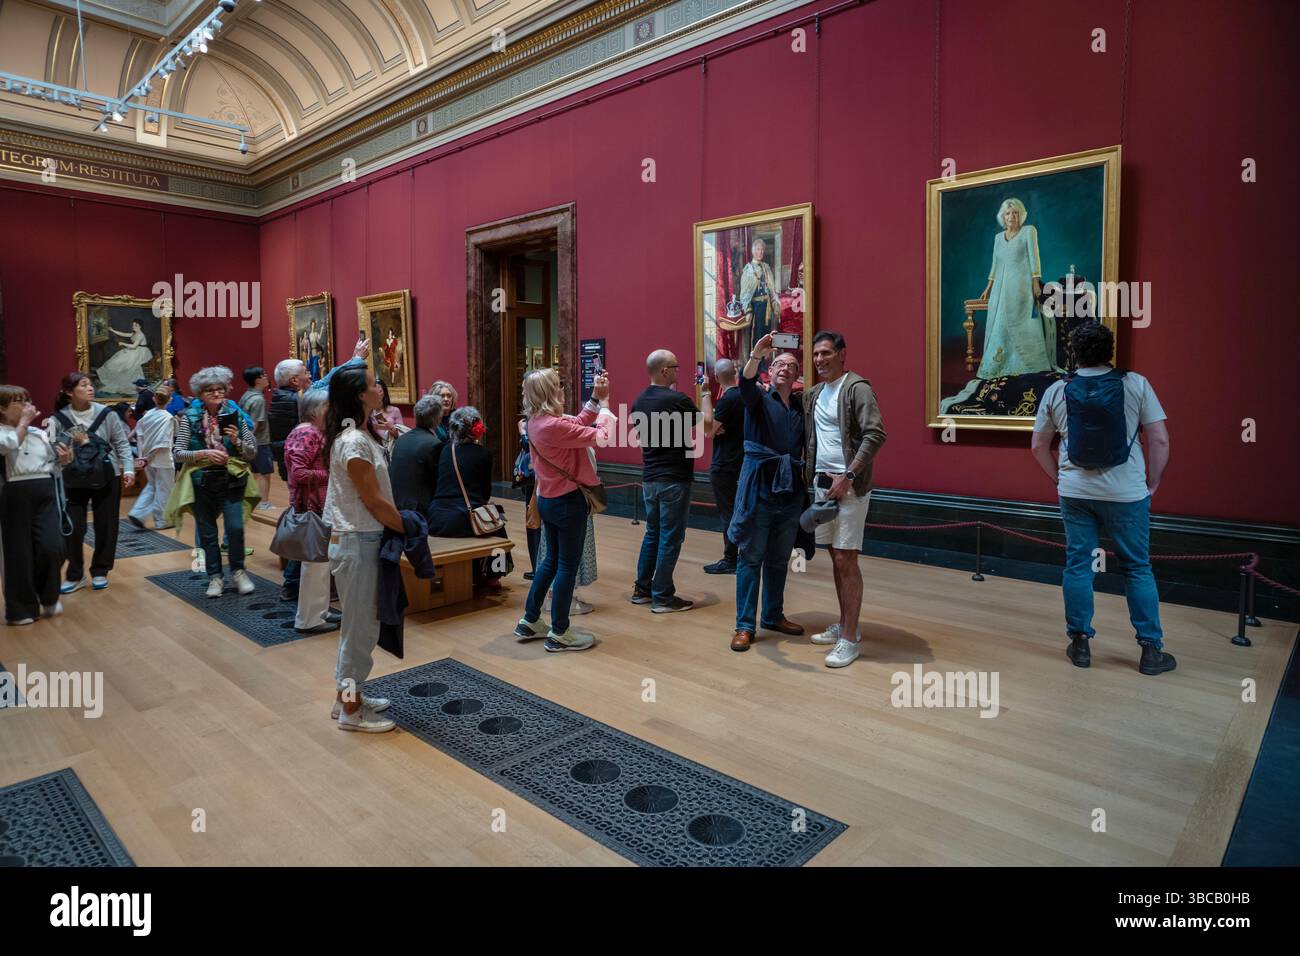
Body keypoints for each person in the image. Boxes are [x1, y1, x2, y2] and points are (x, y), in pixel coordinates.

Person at [1030, 321, 1175, 677]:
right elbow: (1159, 441)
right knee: (1137, 567)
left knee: (1078, 565)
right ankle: (1151, 651)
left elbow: (1037, 446)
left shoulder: (1056, 391)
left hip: (1076, 492)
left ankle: (1080, 644)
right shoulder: (1136, 384)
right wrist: (1152, 481)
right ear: (1110, 351)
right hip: (1127, 493)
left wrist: (1059, 478)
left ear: (1074, 352)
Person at [322, 365, 405, 732]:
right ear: (359, 395)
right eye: (373, 385)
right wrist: (409, 526)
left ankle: (348, 696)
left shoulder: (359, 435)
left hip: (361, 539)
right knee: (359, 633)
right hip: (357, 540)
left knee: (358, 628)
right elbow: (372, 500)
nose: (380, 389)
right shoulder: (354, 441)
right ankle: (351, 712)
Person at [803, 331, 888, 668]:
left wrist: (849, 474)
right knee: (835, 556)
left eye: (826, 353)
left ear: (841, 354)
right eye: (815, 355)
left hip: (849, 486)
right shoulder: (814, 394)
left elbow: (876, 433)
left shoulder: (857, 389)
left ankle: (850, 638)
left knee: (845, 559)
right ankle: (845, 624)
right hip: (822, 484)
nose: (820, 360)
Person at [515, 367, 613, 651]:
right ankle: (560, 631)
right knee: (567, 566)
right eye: (558, 386)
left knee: (550, 563)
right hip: (567, 503)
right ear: (548, 392)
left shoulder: (536, 421)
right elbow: (601, 436)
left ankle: (530, 619)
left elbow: (578, 422)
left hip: (548, 500)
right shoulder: (553, 425)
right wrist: (606, 406)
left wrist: (595, 398)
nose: (563, 390)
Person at [269, 336, 369, 601]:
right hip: (310, 496)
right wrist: (355, 359)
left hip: (310, 493)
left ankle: (308, 588)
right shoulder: (303, 420)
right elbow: (301, 473)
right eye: (304, 372)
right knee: (309, 541)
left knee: (310, 541)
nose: (310, 374)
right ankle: (299, 590)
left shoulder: (287, 399)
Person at [728, 335, 806, 652]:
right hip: (759, 488)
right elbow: (745, 381)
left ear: (797, 375)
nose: (785, 368)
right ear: (769, 371)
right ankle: (744, 624)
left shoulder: (801, 406)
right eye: (779, 364)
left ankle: (773, 615)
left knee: (778, 559)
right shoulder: (757, 398)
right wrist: (757, 353)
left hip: (790, 491)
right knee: (751, 557)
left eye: (792, 365)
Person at [169, 366, 259, 599]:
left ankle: (239, 571)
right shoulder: (189, 418)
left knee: (235, 528)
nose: (217, 394)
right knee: (207, 533)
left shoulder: (236, 415)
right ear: (200, 393)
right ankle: (215, 577)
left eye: (221, 389)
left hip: (231, 480)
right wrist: (203, 454)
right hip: (202, 481)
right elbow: (178, 453)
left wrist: (236, 440)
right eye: (210, 390)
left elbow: (251, 452)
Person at [48, 372, 134, 593]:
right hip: (73, 477)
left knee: (106, 525)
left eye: (90, 384)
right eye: (83, 385)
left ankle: (100, 571)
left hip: (107, 474)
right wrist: (62, 457)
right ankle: (75, 574)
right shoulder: (59, 418)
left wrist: (129, 469)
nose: (90, 388)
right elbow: (54, 451)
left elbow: (121, 443)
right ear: (69, 392)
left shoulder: (107, 414)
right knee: (73, 528)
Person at [630, 349, 702, 613]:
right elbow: (708, 425)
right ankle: (662, 596)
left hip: (650, 477)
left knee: (653, 533)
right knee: (671, 538)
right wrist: (704, 393)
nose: (678, 370)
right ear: (664, 371)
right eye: (675, 366)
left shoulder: (638, 401)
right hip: (674, 477)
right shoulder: (678, 399)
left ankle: (642, 589)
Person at [0, 385, 71, 624]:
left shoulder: (38, 433)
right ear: (2, 408)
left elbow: (51, 465)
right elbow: (8, 444)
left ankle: (49, 597)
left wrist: (63, 461)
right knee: (18, 554)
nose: (26, 406)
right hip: (13, 494)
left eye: (27, 400)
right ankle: (21, 609)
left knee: (53, 547)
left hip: (44, 491)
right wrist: (23, 424)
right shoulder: (5, 431)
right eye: (18, 402)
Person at [426, 407, 509, 589]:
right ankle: (493, 576)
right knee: (499, 530)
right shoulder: (483, 454)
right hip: (463, 519)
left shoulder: (445, 450)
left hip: (437, 518)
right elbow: (484, 495)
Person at [975, 198, 1055, 379]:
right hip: (1000, 290)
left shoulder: (1029, 231)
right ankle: (999, 365)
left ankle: (1029, 365)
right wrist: (989, 286)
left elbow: (1035, 258)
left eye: (1015, 213)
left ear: (1021, 215)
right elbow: (995, 263)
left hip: (1021, 288)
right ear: (1003, 217)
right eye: (1008, 213)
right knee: (1000, 324)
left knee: (1022, 322)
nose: (1012, 216)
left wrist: (1036, 283)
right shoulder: (997, 238)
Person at [283, 389, 339, 635]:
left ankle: (319, 610)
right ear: (317, 409)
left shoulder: (313, 432)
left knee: (320, 564)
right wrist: (333, 475)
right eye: (329, 407)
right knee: (314, 565)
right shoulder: (306, 432)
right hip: (312, 507)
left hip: (319, 506)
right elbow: (298, 474)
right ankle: (309, 619)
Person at [703, 357, 744, 574]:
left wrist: (705, 394)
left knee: (728, 514)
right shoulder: (747, 396)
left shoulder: (727, 400)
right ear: (735, 373)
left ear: (717, 378)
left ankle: (730, 559)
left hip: (724, 465)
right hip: (742, 463)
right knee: (741, 511)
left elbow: (707, 429)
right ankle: (744, 555)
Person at [127, 382, 176, 530]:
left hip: (147, 458)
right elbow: (162, 442)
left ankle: (138, 512)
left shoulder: (146, 416)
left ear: (154, 399)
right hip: (162, 458)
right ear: (169, 400)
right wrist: (148, 457)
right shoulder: (168, 418)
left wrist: (142, 457)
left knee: (153, 485)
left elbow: (139, 436)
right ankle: (162, 520)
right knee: (164, 489)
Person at [390, 395, 444, 514]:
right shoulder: (434, 444)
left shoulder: (401, 439)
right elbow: (439, 481)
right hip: (419, 510)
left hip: (396, 505)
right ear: (437, 419)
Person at [739, 237, 782, 366]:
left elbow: (771, 288)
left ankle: (764, 364)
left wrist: (775, 301)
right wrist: (748, 310)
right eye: (758, 249)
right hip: (756, 307)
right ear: (753, 251)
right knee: (756, 337)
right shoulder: (748, 270)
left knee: (767, 335)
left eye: (762, 249)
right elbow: (745, 294)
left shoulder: (766, 268)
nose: (760, 252)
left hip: (767, 307)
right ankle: (755, 365)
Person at [239, 366, 274, 511]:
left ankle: (253, 501)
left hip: (248, 442)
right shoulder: (258, 399)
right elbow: (254, 425)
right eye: (264, 375)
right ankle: (264, 503)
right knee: (265, 473)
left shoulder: (246, 395)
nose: (267, 377)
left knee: (255, 472)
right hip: (260, 442)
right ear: (258, 379)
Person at [95, 320, 153, 395]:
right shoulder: (135, 333)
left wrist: (123, 343)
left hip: (141, 352)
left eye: (135, 325)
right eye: (133, 325)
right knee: (117, 360)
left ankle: (121, 378)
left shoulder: (140, 335)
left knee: (125, 363)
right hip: (134, 350)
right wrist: (113, 330)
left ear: (140, 326)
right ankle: (110, 374)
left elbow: (134, 346)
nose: (133, 326)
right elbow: (123, 334)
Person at [513, 417, 540, 580]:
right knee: (533, 522)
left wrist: (523, 433)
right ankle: (536, 566)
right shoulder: (529, 419)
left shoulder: (537, 420)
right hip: (534, 478)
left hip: (538, 479)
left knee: (534, 522)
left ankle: (539, 567)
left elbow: (530, 447)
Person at [372, 379, 406, 443]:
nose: (377, 394)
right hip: (374, 446)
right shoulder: (368, 412)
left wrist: (391, 428)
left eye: (380, 391)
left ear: (384, 392)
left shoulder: (395, 410)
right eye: (374, 392)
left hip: (390, 445)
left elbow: (402, 435)